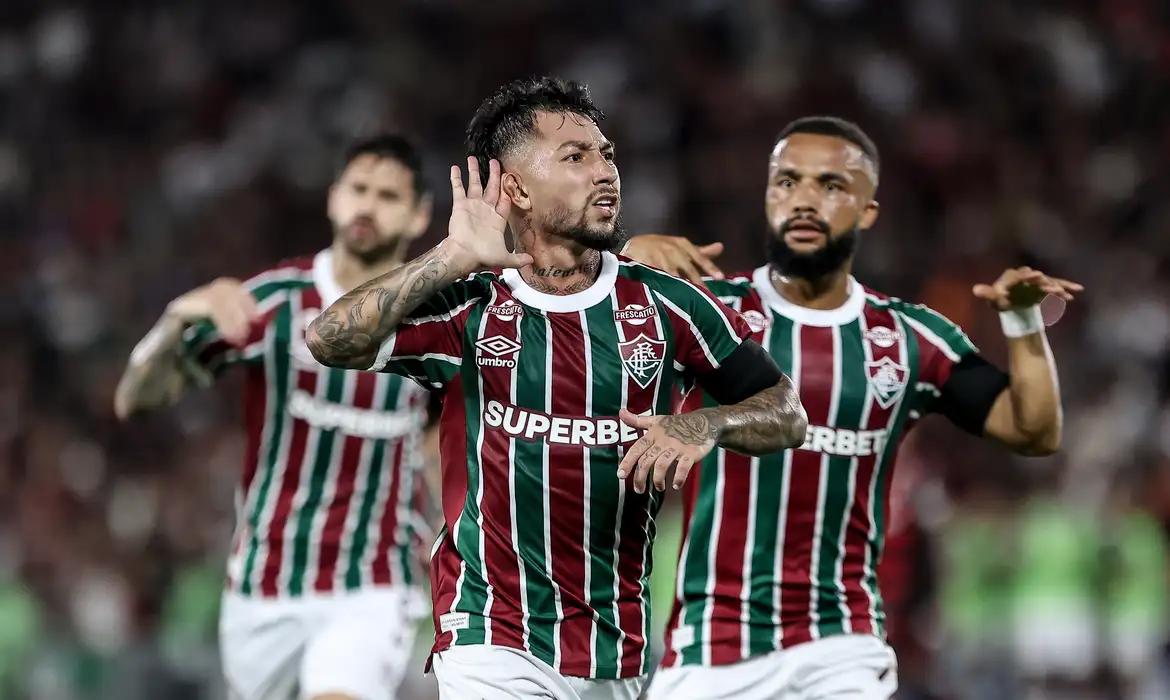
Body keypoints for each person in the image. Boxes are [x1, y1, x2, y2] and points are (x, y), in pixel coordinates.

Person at [305, 76, 808, 700]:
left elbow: (788, 413)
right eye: (576, 157)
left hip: (612, 646)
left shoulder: (668, 306)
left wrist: (708, 423)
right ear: (515, 187)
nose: (605, 173)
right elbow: (328, 338)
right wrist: (450, 258)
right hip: (488, 631)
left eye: (607, 155)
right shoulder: (472, 304)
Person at [624, 116, 1081, 699]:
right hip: (709, 646)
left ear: (867, 210)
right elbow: (571, 335)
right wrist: (625, 261)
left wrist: (1021, 322)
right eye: (786, 182)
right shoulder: (712, 312)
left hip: (841, 646)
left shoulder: (911, 338)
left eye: (831, 185)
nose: (805, 200)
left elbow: (1034, 429)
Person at [115, 134, 437, 700]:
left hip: (373, 580)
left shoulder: (438, 316)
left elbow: (450, 434)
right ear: (334, 198)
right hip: (266, 581)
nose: (367, 205)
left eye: (388, 196)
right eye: (358, 189)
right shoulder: (274, 302)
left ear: (418, 215)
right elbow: (136, 399)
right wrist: (174, 321)